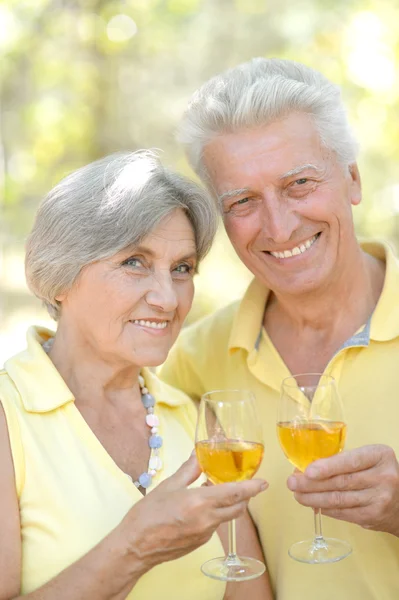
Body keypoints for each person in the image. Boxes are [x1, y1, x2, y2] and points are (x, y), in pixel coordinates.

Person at [160, 58, 399, 599]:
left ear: (352, 179)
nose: (279, 225)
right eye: (243, 201)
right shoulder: (194, 360)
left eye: (299, 184)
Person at [0, 151, 273, 600]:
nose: (167, 299)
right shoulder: (10, 417)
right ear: (60, 278)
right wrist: (132, 549)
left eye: (181, 268)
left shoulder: (192, 419)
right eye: (134, 262)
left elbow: (248, 592)